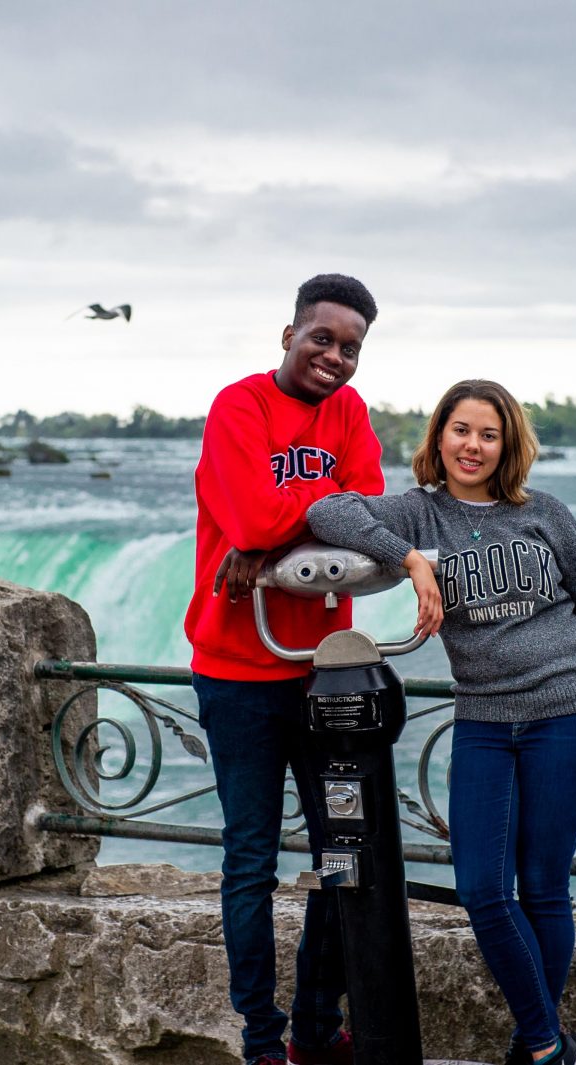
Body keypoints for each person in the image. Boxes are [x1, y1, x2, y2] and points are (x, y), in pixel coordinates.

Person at [306, 379, 576, 1065]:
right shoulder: (418, 514)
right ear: (439, 437)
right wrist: (408, 558)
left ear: (507, 445)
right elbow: (327, 509)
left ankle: (536, 1047)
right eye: (461, 430)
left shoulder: (545, 513)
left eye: (488, 434)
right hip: (486, 718)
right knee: (483, 891)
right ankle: (551, 1044)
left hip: (573, 709)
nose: (473, 445)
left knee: (544, 886)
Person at [184, 274, 385, 1065]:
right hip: (237, 673)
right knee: (251, 860)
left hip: (322, 673)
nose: (335, 357)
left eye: (351, 347)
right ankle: (262, 1041)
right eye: (322, 338)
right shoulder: (239, 407)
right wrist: (294, 522)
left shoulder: (351, 414)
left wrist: (269, 545)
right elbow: (253, 514)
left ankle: (314, 1024)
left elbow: (371, 519)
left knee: (343, 853)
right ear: (288, 335)